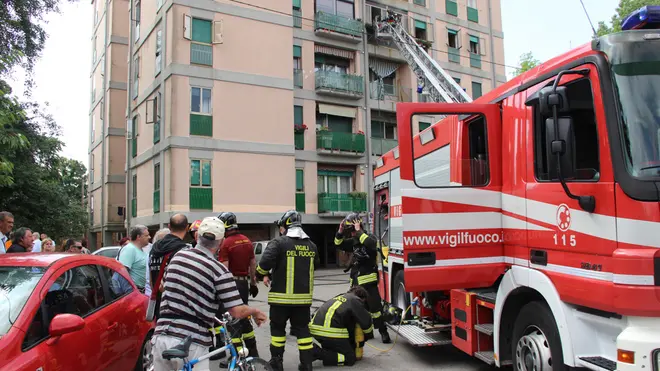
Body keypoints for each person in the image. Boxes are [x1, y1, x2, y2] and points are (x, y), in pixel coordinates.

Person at [151, 216, 268, 371]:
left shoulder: (177, 257)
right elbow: (236, 311)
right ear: (221, 242)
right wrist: (255, 311)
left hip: (161, 337)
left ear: (198, 236)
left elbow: (162, 287)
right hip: (191, 342)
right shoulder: (219, 271)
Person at [255, 210, 320, 371]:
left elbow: (263, 265)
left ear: (286, 225)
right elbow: (315, 266)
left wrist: (262, 275)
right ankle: (306, 365)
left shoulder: (278, 243)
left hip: (280, 300)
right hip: (303, 301)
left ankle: (277, 363)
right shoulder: (312, 245)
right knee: (303, 332)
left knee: (278, 332)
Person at [334, 213, 391, 344]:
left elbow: (370, 243)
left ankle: (383, 332)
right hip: (355, 283)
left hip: (369, 283)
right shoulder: (353, 241)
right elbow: (338, 244)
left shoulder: (368, 238)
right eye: (350, 231)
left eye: (352, 230)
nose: (352, 233)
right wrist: (340, 231)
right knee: (356, 309)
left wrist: (358, 231)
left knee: (376, 310)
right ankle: (364, 333)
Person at [213, 212, 260, 364]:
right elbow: (253, 263)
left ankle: (238, 356)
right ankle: (253, 351)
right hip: (243, 284)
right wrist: (253, 283)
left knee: (232, 321)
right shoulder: (246, 240)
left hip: (231, 284)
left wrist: (219, 288)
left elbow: (224, 269)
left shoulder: (226, 243)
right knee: (244, 317)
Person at [309, 286, 374, 367]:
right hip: (329, 332)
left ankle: (327, 353)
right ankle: (317, 353)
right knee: (350, 358)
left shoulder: (340, 297)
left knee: (339, 352)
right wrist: (367, 336)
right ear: (363, 298)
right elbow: (366, 324)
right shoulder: (356, 300)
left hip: (316, 329)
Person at [147, 213, 190, 321]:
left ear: (169, 227)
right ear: (187, 227)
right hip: (177, 305)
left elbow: (152, 280)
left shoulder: (154, 249)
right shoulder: (183, 250)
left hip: (159, 303)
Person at [116, 225, 149, 292]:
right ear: (138, 237)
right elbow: (122, 274)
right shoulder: (130, 249)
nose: (149, 237)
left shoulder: (140, 250)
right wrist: (130, 293)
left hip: (141, 291)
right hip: (134, 292)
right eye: (146, 235)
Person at [145, 227, 170, 297]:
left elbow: (149, 280)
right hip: (165, 295)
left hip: (152, 294)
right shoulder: (171, 255)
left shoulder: (150, 255)